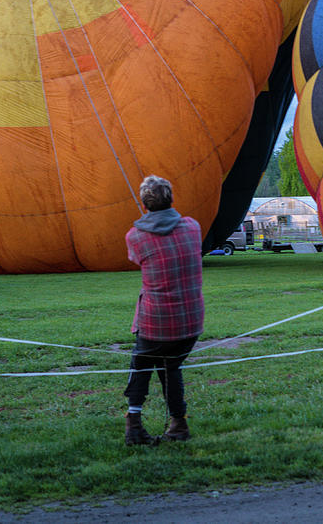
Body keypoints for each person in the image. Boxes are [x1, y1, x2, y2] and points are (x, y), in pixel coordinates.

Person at [123, 175, 205, 446]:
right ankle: (178, 423)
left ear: (144, 203)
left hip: (155, 321)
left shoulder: (135, 236)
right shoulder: (192, 227)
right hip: (190, 322)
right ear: (171, 197)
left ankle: (134, 424)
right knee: (172, 365)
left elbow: (135, 258)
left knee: (142, 365)